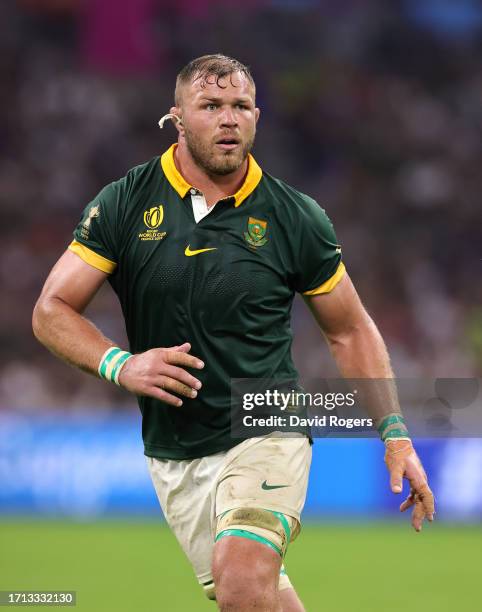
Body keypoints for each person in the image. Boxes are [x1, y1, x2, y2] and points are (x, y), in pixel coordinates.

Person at [32, 54, 434, 612]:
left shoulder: (295, 217)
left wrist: (396, 436)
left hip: (268, 419)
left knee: (242, 580)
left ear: (257, 116)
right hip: (175, 449)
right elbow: (51, 309)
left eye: (241, 106)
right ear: (178, 119)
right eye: (211, 106)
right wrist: (120, 364)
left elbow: (350, 330)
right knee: (254, 601)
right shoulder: (125, 203)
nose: (229, 119)